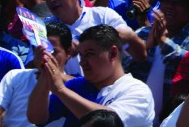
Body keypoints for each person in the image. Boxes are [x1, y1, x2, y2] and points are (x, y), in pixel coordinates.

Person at [27, 25, 155, 127]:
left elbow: (107, 124)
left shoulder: (137, 90)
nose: (82, 62)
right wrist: (46, 72)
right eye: (81, 55)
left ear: (112, 53)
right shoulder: (77, 85)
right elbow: (36, 118)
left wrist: (60, 90)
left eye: (89, 54)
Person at [41, 0, 147, 75]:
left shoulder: (104, 16)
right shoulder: (44, 28)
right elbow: (35, 69)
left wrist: (131, 36)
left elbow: (140, 56)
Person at [128, 0, 189, 122]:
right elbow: (122, 67)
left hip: (172, 118)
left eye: (178, 2)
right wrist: (145, 47)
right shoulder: (143, 33)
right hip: (137, 116)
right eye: (166, 1)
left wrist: (163, 41)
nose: (170, 6)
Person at [0, 21, 74, 127]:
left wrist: (55, 76)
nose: (45, 57)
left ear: (68, 52)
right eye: (40, 50)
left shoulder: (74, 87)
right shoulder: (14, 76)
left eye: (53, 52)